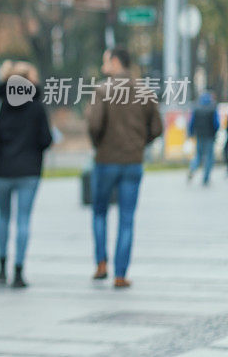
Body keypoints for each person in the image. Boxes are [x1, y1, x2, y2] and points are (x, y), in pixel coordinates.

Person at [86, 47, 163, 288]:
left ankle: (101, 263)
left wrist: (99, 145)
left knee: (99, 212)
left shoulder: (102, 90)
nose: (102, 67)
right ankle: (120, 274)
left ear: (116, 61)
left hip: (106, 161)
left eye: (105, 61)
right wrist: (141, 143)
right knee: (127, 219)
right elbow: (157, 128)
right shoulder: (145, 92)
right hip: (133, 162)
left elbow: (94, 125)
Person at [0, 61, 53, 288]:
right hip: (29, 171)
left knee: (3, 218)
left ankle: (0, 269)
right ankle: (18, 272)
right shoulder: (36, 107)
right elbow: (46, 140)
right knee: (23, 220)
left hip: (1, 170)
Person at [187, 91, 219, 186]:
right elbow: (216, 123)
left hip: (199, 135)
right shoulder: (212, 108)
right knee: (209, 157)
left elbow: (191, 122)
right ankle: (206, 178)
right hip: (210, 136)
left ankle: (192, 168)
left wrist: (191, 132)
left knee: (198, 155)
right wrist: (215, 132)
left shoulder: (196, 108)